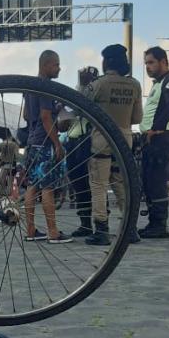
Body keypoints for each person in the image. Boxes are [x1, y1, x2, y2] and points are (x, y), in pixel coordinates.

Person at [85, 44, 142, 246]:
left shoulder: (99, 84)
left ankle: (101, 229)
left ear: (106, 62)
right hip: (125, 137)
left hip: (102, 138)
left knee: (98, 184)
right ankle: (130, 228)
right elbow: (137, 117)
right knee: (120, 182)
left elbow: (81, 107)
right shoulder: (134, 85)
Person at [21, 50, 71, 244]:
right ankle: (53, 232)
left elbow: (26, 115)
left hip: (32, 141)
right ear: (46, 65)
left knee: (32, 187)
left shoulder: (30, 87)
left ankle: (31, 230)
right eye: (56, 64)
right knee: (48, 187)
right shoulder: (46, 86)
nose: (59, 68)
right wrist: (57, 143)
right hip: (45, 141)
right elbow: (45, 116)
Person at [138, 46, 169, 238]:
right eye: (146, 63)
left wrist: (156, 128)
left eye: (151, 62)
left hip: (160, 138)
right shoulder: (158, 83)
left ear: (163, 61)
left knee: (156, 182)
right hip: (151, 139)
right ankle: (153, 223)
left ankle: (159, 225)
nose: (148, 67)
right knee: (149, 181)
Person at [64, 66, 97, 237]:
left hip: (87, 141)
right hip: (72, 141)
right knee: (78, 185)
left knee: (94, 185)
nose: (83, 77)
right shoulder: (76, 92)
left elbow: (78, 109)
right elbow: (64, 118)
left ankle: (99, 223)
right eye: (81, 75)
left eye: (86, 76)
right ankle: (85, 224)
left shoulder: (94, 92)